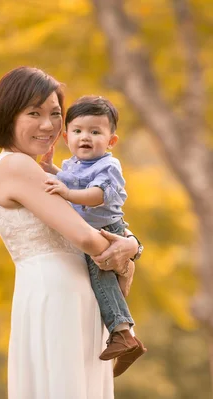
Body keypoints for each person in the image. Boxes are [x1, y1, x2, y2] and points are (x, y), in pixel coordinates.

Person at [0, 66, 142, 398]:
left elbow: (93, 222)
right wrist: (129, 249)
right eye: (34, 113)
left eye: (56, 114)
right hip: (58, 292)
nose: (48, 124)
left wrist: (130, 244)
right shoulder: (16, 165)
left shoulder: (28, 167)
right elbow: (85, 237)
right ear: (8, 115)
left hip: (68, 291)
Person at [39, 95, 146, 372]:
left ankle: (122, 333)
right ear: (66, 137)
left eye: (95, 132)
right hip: (94, 229)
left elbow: (97, 195)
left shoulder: (108, 166)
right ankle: (129, 339)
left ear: (111, 141)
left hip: (107, 229)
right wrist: (49, 170)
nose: (85, 137)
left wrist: (68, 193)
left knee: (100, 276)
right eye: (78, 131)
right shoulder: (74, 164)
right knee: (102, 282)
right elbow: (66, 182)